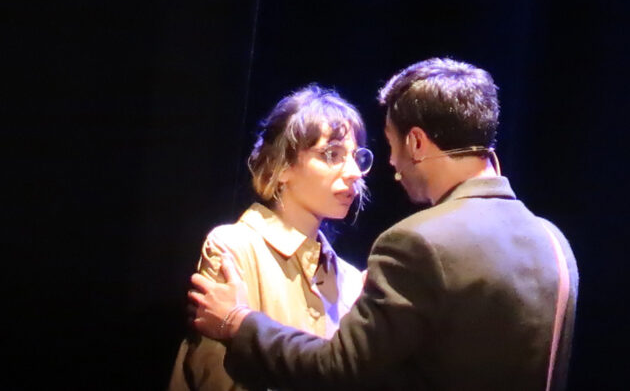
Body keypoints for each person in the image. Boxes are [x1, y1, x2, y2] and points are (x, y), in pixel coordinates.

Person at [189, 58, 579, 391]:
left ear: (417, 143)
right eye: (331, 155)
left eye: (382, 148)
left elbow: (339, 369)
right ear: (281, 165)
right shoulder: (555, 243)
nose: (378, 167)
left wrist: (237, 322)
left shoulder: (415, 246)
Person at [168, 85, 373, 390]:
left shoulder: (351, 280)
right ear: (283, 166)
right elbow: (216, 378)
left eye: (356, 157)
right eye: (332, 155)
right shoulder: (235, 246)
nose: (354, 172)